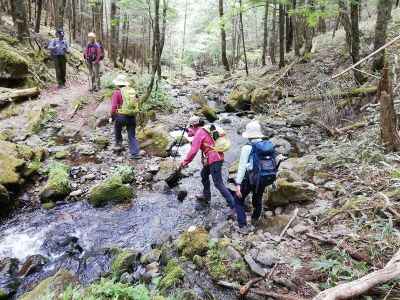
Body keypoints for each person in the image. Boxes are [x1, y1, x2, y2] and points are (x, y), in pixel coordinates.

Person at [180, 116, 235, 215]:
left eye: (190, 127)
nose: (189, 130)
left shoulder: (199, 133)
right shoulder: (205, 129)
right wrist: (188, 130)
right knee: (204, 174)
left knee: (218, 183)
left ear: (193, 125)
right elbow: (192, 133)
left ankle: (233, 206)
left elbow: (193, 151)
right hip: (217, 156)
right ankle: (206, 196)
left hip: (214, 159)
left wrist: (185, 162)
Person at [234, 120, 278, 233]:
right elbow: (274, 163)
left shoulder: (247, 147)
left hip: (249, 179)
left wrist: (238, 184)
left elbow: (242, 167)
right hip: (263, 178)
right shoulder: (268, 146)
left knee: (238, 200)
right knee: (257, 199)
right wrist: (273, 181)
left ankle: (243, 225)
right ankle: (255, 219)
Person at [110, 74, 141, 160]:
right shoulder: (132, 91)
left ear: (117, 84)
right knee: (132, 135)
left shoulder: (117, 93)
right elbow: (138, 102)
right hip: (132, 116)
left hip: (121, 117)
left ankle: (118, 145)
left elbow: (113, 107)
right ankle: (135, 153)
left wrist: (112, 117)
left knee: (117, 127)